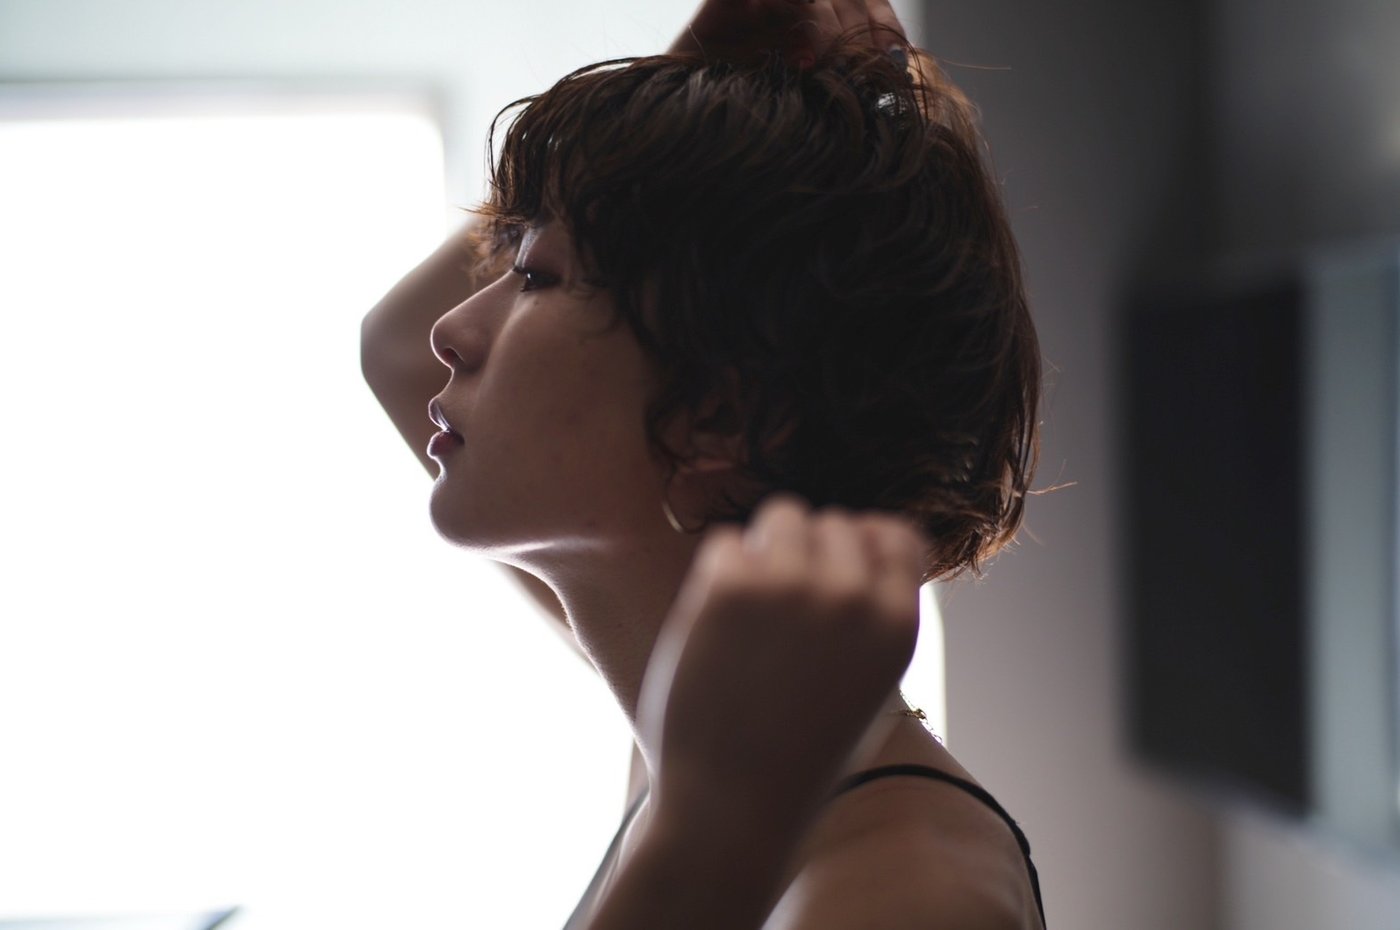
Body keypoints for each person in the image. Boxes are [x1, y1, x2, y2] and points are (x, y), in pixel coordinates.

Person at [360, 1, 1044, 927]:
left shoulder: (908, 896)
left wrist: (706, 822)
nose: (453, 330)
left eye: (538, 276)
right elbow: (396, 352)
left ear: (718, 413)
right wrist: (700, 73)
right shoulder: (698, 740)